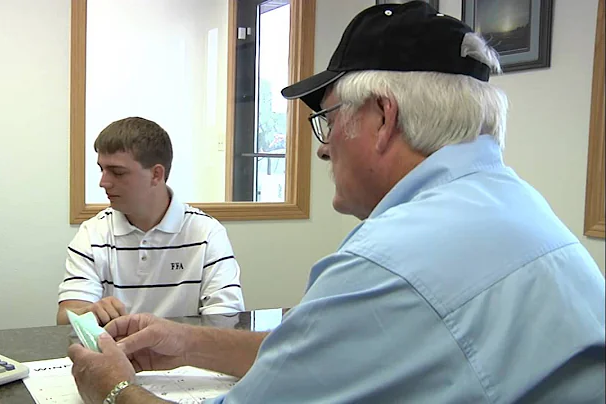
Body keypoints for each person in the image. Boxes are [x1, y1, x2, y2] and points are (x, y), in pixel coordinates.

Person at [67, 2, 606, 403]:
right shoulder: (519, 206)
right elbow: (318, 357)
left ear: (382, 117)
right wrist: (188, 343)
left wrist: (112, 387)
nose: (322, 147)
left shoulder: (389, 261)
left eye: (327, 119)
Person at [57, 117, 245, 326]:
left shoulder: (207, 233)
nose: (103, 182)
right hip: (114, 356)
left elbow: (226, 320)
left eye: (118, 172)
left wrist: (164, 341)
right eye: (101, 169)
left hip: (185, 357)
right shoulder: (93, 234)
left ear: (156, 174)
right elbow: (66, 318)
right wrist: (88, 312)